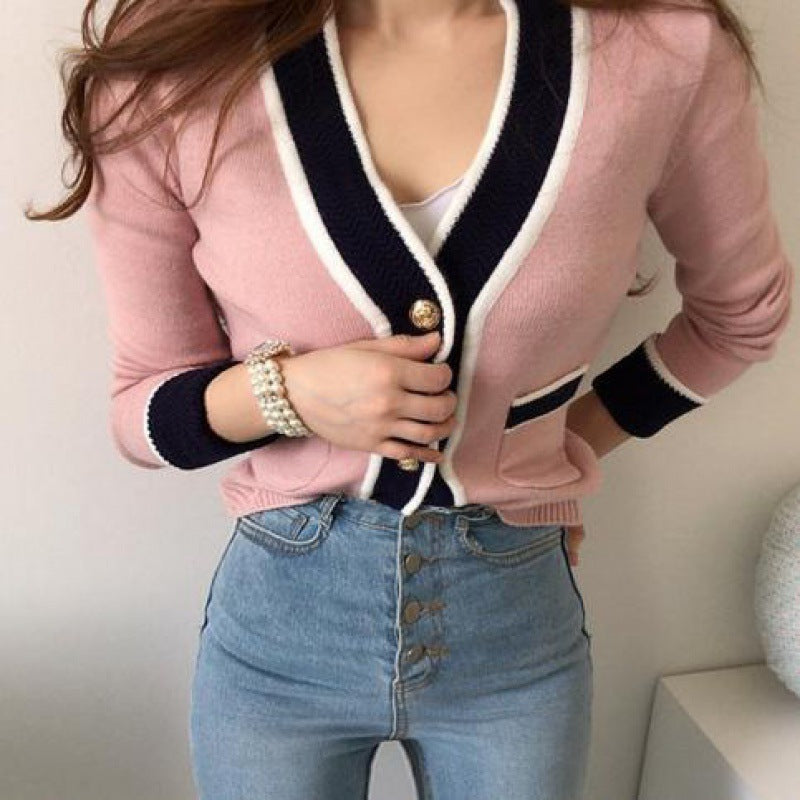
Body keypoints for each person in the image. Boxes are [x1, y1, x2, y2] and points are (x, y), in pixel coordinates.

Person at [30, 0, 793, 796]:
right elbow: (142, 413)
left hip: (515, 637)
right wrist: (288, 393)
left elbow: (740, 317)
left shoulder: (661, 51)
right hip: (279, 638)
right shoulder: (174, 64)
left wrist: (564, 443)